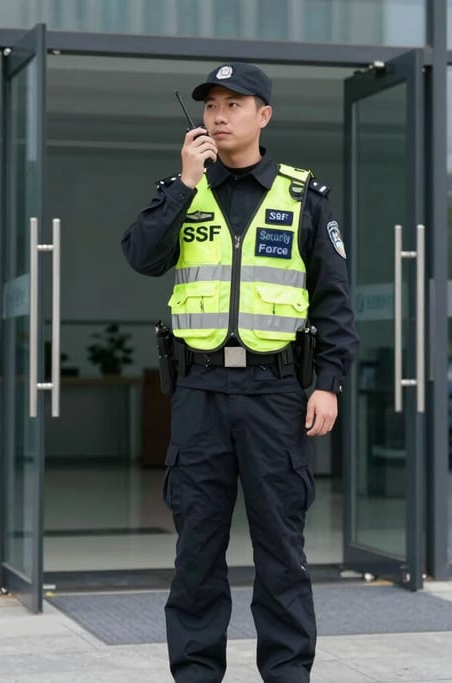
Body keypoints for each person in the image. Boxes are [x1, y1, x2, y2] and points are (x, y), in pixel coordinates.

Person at [121, 62, 358, 683]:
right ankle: (195, 673)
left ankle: (287, 673)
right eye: (211, 105)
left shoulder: (303, 196)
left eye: (234, 103)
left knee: (281, 550)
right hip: (198, 393)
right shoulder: (182, 191)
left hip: (275, 392)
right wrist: (184, 182)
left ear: (264, 115)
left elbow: (335, 300)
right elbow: (141, 257)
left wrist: (328, 383)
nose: (219, 115)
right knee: (196, 551)